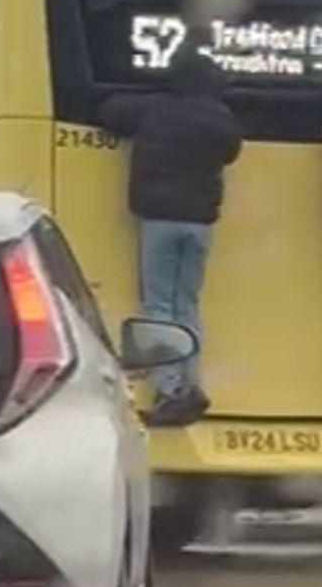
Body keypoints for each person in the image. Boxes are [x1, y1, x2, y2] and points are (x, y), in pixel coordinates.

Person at [99, 47, 242, 427]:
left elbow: (109, 112)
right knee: (187, 304)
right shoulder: (222, 117)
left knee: (158, 306)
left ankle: (171, 391)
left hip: (160, 218)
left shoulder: (154, 109)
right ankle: (192, 384)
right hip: (200, 222)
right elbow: (231, 153)